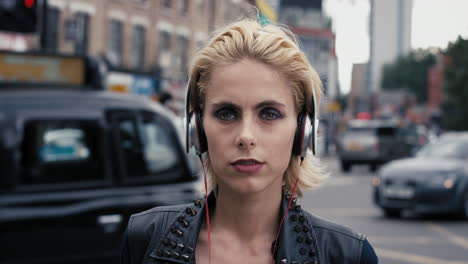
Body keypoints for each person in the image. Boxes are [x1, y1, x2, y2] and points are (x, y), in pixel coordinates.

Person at [121, 19, 378, 264]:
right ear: (197, 128)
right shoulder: (145, 237)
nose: (246, 136)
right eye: (226, 113)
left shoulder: (348, 255)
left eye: (269, 113)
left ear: (303, 132)